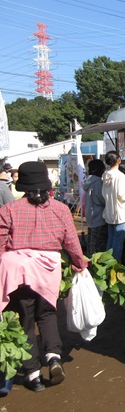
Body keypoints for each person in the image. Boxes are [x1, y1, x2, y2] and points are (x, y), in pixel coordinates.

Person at [0, 161, 88, 392]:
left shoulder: (8, 210)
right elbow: (71, 242)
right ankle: (53, 357)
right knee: (48, 313)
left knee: (24, 320)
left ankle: (33, 375)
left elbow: (0, 244)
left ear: (23, 186)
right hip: (48, 270)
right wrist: (80, 263)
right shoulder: (60, 209)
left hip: (17, 274)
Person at [101, 151, 125, 263]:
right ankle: (114, 268)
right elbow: (123, 195)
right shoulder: (120, 176)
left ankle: (107, 266)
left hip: (109, 213)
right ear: (118, 160)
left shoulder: (105, 175)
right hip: (120, 214)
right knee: (117, 243)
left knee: (111, 241)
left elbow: (104, 194)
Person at [83, 159, 107, 256]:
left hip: (91, 218)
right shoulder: (97, 182)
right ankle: (95, 268)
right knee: (98, 248)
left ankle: (91, 266)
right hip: (98, 218)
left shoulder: (89, 181)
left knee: (92, 245)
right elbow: (101, 199)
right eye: (103, 168)